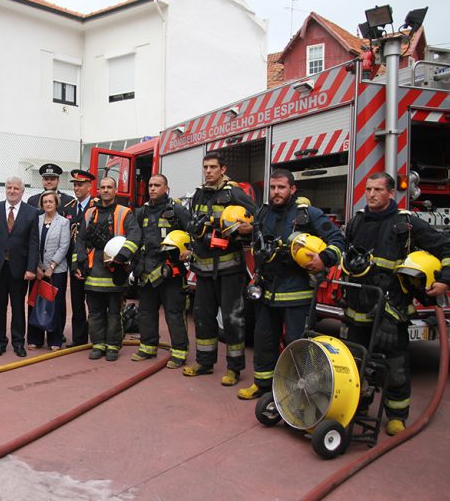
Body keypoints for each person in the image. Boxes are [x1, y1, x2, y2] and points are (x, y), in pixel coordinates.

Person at [340, 172, 450, 435]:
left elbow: (448, 249)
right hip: (356, 310)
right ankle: (359, 405)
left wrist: (446, 280)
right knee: (355, 364)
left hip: (391, 313)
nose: (371, 194)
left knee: (395, 366)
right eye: (368, 189)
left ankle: (397, 415)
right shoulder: (357, 222)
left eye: (378, 190)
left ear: (391, 193)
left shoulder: (406, 224)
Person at [237, 168, 344, 400]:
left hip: (297, 295)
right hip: (266, 292)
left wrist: (324, 258)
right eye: (273, 188)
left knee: (299, 346)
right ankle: (262, 385)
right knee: (263, 340)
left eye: (281, 187)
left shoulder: (308, 214)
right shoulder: (263, 213)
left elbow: (337, 240)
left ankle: (301, 393)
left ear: (293, 189)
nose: (276, 192)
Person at [182, 152, 255, 386]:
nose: (208, 171)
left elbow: (255, 219)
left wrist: (246, 228)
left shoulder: (234, 194)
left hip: (230, 269)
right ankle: (205, 362)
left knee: (233, 320)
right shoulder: (199, 194)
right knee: (203, 317)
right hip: (203, 269)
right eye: (205, 167)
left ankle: (234, 368)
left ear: (222, 169)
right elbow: (193, 225)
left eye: (213, 167)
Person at [73, 177, 140, 361]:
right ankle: (98, 344)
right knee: (95, 312)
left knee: (114, 312)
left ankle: (112, 346)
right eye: (102, 187)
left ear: (115, 190)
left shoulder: (125, 213)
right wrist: (77, 264)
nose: (106, 190)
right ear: (99, 190)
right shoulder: (89, 214)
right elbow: (80, 241)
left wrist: (121, 257)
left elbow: (135, 237)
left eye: (109, 187)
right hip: (93, 273)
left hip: (115, 272)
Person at [129, 174, 191, 368]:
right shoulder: (141, 213)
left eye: (157, 185)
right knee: (146, 312)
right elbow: (133, 238)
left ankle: (179, 352)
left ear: (167, 188)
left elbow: (193, 234)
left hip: (170, 271)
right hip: (146, 271)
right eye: (150, 185)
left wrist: (189, 250)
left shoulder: (177, 211)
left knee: (174, 312)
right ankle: (147, 347)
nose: (152, 189)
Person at [0, 176, 39, 358]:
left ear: (22, 191)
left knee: (18, 308)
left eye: (16, 188)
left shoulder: (32, 212)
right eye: (9, 187)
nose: (12, 191)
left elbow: (34, 242)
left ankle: (18, 342)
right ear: (5, 189)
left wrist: (32, 268)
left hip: (20, 269)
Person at [27, 190, 71, 350]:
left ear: (56, 203)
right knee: (35, 303)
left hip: (57, 271)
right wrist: (37, 267)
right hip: (37, 270)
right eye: (45, 202)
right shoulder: (36, 220)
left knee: (54, 305)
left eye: (50, 201)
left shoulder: (63, 222)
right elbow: (32, 243)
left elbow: (64, 246)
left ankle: (55, 339)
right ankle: (35, 339)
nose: (47, 204)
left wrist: (52, 265)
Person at [64, 169, 97, 346]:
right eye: (75, 185)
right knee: (77, 303)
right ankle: (79, 339)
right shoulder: (68, 207)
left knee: (94, 303)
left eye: (80, 184)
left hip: (92, 262)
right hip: (73, 262)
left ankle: (97, 338)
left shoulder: (97, 205)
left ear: (89, 186)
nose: (77, 188)